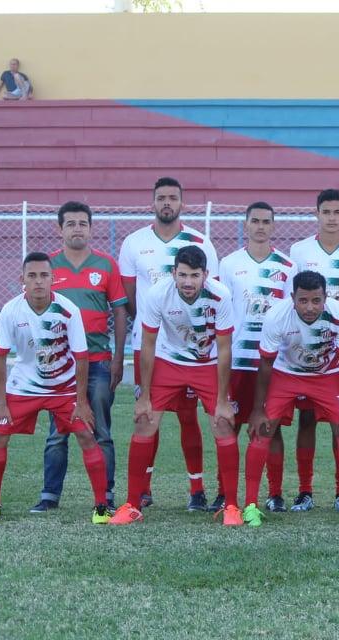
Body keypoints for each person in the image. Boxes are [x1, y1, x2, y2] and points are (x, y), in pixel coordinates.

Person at [109, 245, 241, 526]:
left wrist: (222, 400)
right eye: (182, 275)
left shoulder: (220, 296)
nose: (188, 282)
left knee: (222, 423)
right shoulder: (158, 294)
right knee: (145, 422)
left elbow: (225, 348)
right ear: (173, 273)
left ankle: (231, 506)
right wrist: (144, 395)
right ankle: (132, 504)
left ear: (206, 274)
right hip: (169, 361)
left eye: (194, 275)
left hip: (207, 364)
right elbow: (147, 344)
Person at [0, 252, 109, 524]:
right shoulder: (10, 310)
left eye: (44, 275)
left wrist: (81, 401)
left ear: (53, 279)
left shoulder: (68, 310)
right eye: (32, 275)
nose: (38, 281)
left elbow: (82, 358)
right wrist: (1, 402)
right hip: (23, 387)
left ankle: (101, 506)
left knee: (86, 435)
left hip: (63, 389)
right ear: (22, 279)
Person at [118, 177, 219, 511]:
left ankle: (197, 490)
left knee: (189, 418)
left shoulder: (201, 242)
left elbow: (210, 296)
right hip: (148, 345)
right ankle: (142, 491)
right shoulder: (134, 243)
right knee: (150, 415)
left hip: (191, 349)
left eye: (172, 198)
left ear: (182, 203)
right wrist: (153, 324)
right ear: (152, 202)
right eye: (160, 197)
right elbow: (131, 298)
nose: (166, 203)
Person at [30, 202, 128, 515]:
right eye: (70, 223)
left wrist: (118, 358)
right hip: (60, 367)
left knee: (100, 431)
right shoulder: (49, 267)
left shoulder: (106, 264)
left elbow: (120, 312)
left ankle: (106, 495)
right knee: (57, 432)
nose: (76, 228)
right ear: (59, 229)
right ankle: (49, 496)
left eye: (82, 223)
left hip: (99, 361)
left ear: (90, 228)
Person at [247, 271, 339, 526]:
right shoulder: (277, 315)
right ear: (292, 298)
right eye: (303, 301)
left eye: (316, 300)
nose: (310, 308)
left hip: (326, 374)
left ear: (326, 297)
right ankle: (251, 505)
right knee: (263, 429)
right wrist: (257, 409)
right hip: (286, 373)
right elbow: (265, 364)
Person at [288, 189, 339, 514]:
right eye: (326, 212)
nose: (331, 217)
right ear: (317, 214)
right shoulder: (300, 250)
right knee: (306, 420)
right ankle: (305, 491)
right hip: (305, 351)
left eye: (337, 212)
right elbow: (293, 296)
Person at [217, 202, 295, 514]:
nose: (260, 226)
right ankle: (226, 494)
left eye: (266, 221)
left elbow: (292, 313)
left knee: (269, 428)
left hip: (271, 362)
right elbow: (220, 310)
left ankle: (275, 494)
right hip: (237, 359)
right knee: (229, 426)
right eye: (255, 221)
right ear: (245, 225)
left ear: (274, 226)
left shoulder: (287, 267)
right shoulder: (229, 263)